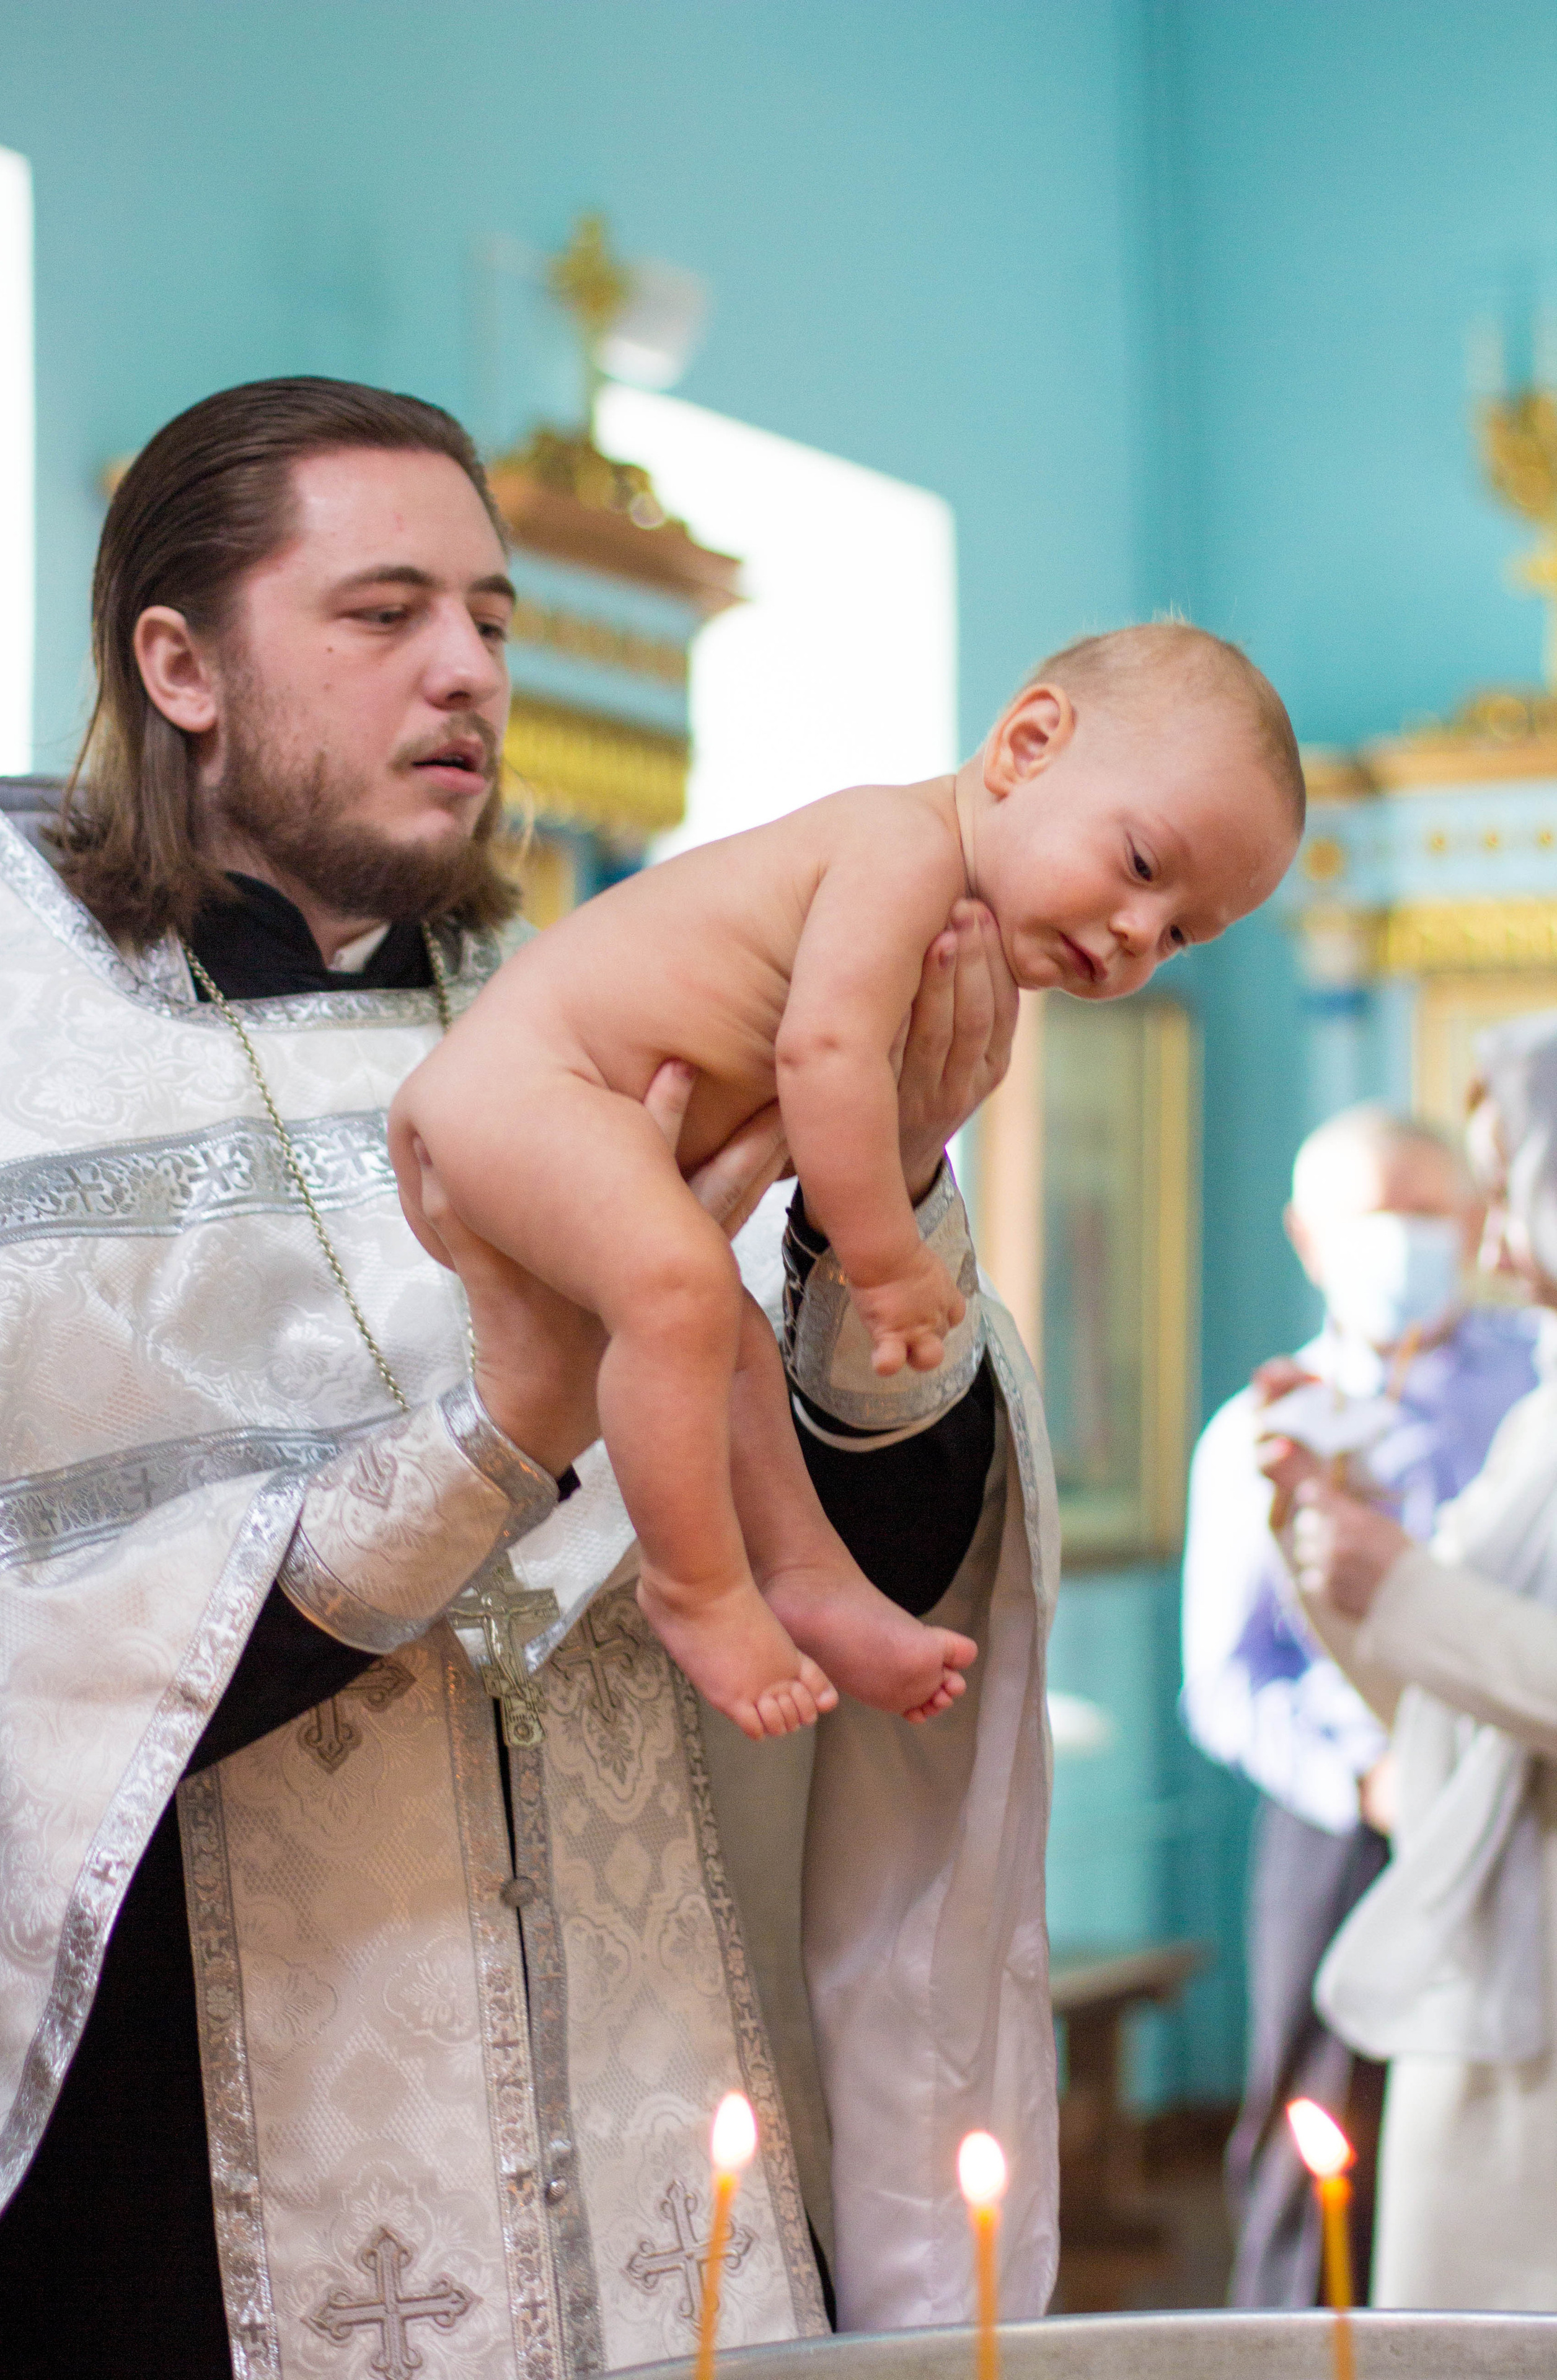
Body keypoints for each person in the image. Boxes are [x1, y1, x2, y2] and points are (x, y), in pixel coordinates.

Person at [0, 377, 1059, 2375]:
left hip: (647, 2143)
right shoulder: (6, 1055)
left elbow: (892, 1567)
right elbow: (32, 1689)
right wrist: (495, 1436)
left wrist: (878, 1194)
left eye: (491, 619)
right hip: (172, 2203)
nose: (468, 668)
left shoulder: (589, 1021)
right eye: (386, 615)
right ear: (179, 663)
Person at [397, 623, 1303, 1741]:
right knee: (682, 1290)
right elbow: (820, 1058)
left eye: (1179, 937)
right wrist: (883, 1259)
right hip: (518, 1090)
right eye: (1144, 868)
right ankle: (695, 1587)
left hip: (561, 1119)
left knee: (715, 1329)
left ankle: (808, 1575)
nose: (1135, 934)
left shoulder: (965, 933)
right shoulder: (902, 846)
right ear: (1027, 744)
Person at [1181, 1103, 1537, 2307]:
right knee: (1307, 2119)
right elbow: (1228, 1679)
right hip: (1339, 1823)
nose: (1399, 1245)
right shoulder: (1260, 1429)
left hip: (1516, 1803)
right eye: (1367, 1220)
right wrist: (1358, 1781)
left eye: (1425, 1216)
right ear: (1304, 1235)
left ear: (1484, 1219)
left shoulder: (1534, 1400)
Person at [1280, 1017, 1557, 2309]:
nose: (1493, 1245)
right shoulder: (1537, 1420)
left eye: (1511, 1191)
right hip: (1492, 1959)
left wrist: (1399, 1583)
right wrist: (1327, 1544)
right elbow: (1445, 1704)